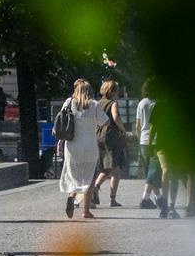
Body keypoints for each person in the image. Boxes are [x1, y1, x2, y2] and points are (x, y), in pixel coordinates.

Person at [57, 79, 109, 219]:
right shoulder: (94, 104)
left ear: (76, 90)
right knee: (90, 177)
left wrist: (60, 141)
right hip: (90, 145)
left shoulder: (69, 102)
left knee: (73, 174)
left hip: (72, 144)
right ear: (89, 92)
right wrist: (95, 127)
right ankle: (86, 211)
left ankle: (71, 197)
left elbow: (62, 122)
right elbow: (106, 122)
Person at [92, 80, 128, 208]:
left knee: (105, 167)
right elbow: (116, 117)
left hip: (98, 136)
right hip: (111, 137)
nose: (117, 93)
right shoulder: (113, 103)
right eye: (116, 90)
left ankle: (97, 191)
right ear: (112, 91)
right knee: (114, 169)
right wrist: (123, 130)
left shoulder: (97, 103)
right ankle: (98, 191)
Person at [135, 78, 162, 210]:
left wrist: (140, 138)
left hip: (143, 140)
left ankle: (159, 198)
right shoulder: (157, 104)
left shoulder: (141, 103)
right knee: (154, 171)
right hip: (156, 139)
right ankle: (145, 198)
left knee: (150, 171)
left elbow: (138, 124)